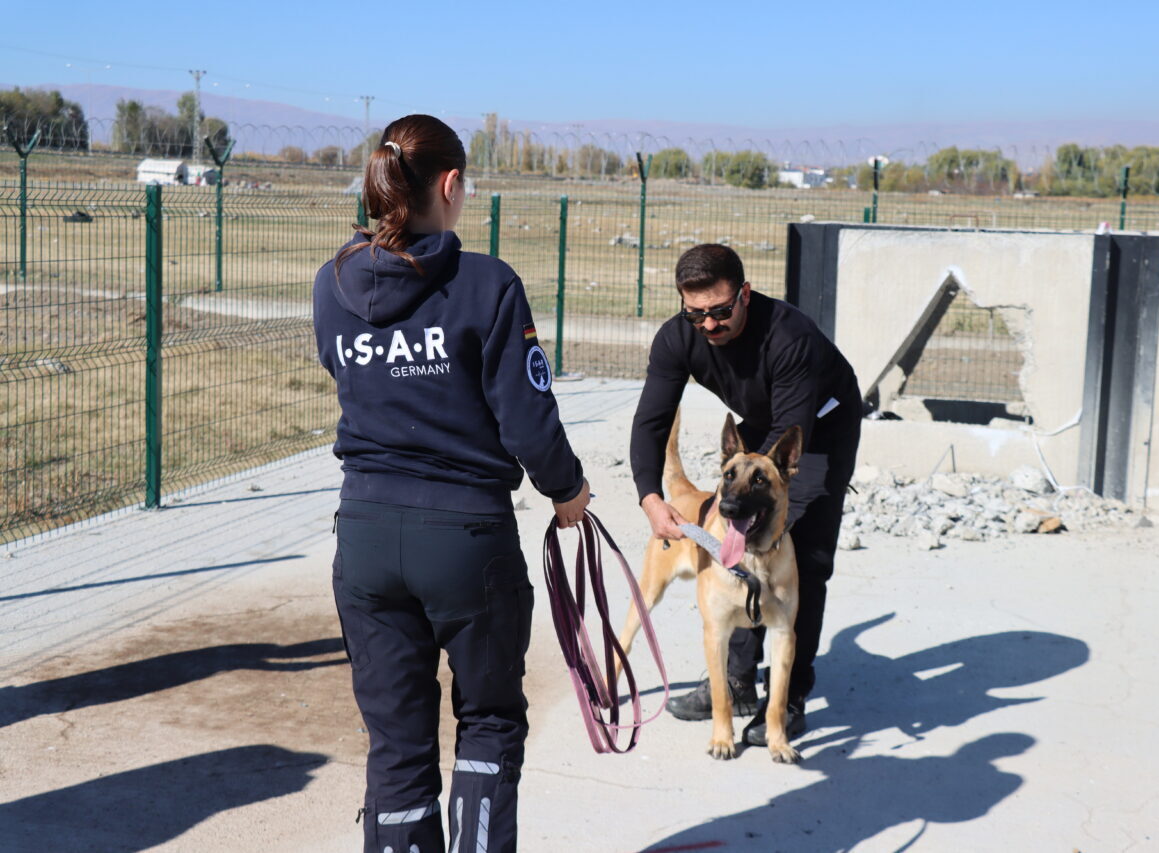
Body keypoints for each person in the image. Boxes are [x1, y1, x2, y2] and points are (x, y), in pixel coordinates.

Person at [313, 114, 590, 853]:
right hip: (467, 538)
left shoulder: (332, 283)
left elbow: (347, 376)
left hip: (365, 535)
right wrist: (568, 491)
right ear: (451, 184)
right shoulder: (487, 284)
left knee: (397, 744)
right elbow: (527, 418)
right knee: (489, 721)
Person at [630, 243, 860, 747]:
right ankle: (736, 684)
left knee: (803, 556)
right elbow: (651, 422)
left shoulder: (789, 337)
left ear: (745, 295)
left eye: (719, 311)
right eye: (695, 314)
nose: (708, 325)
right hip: (760, 420)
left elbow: (785, 443)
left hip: (816, 426)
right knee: (737, 550)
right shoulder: (677, 338)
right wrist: (650, 496)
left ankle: (792, 696)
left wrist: (745, 512)